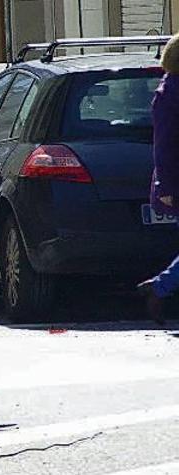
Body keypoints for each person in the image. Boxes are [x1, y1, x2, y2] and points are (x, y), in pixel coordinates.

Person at [137, 33, 179, 324]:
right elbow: (163, 143)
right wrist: (165, 184)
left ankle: (160, 286)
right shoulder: (169, 93)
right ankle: (160, 286)